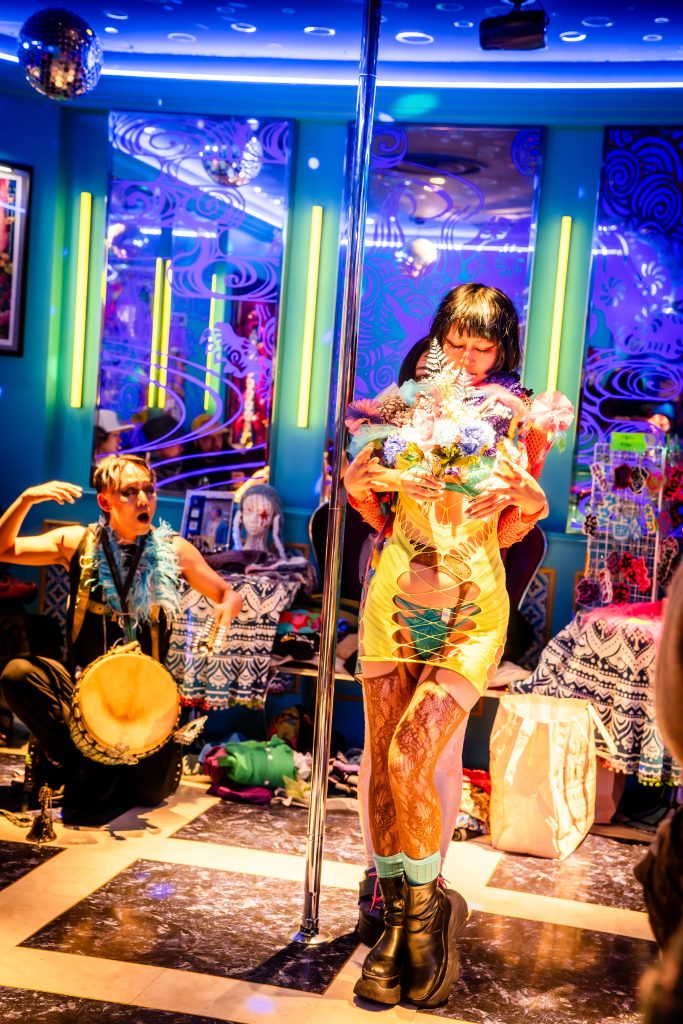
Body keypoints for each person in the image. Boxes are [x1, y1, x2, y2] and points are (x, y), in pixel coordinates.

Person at [344, 284, 557, 1009]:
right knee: (382, 762)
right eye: (455, 343)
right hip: (396, 597)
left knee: (413, 755)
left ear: (502, 349)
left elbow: (514, 527)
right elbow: (378, 515)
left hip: (471, 606)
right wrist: (357, 486)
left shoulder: (518, 419)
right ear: (437, 339)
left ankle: (426, 914)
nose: (466, 358)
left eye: (482, 346)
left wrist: (529, 504)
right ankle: (398, 928)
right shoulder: (399, 408)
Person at [0, 454, 244, 825]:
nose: (143, 499)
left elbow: (227, 593)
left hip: (145, 710)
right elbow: (4, 549)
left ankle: (93, 769)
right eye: (130, 492)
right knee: (18, 674)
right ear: (105, 501)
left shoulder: (174, 551)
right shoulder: (79, 543)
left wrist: (226, 611)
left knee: (146, 792)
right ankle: (82, 760)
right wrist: (26, 500)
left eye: (149, 490)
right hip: (84, 698)